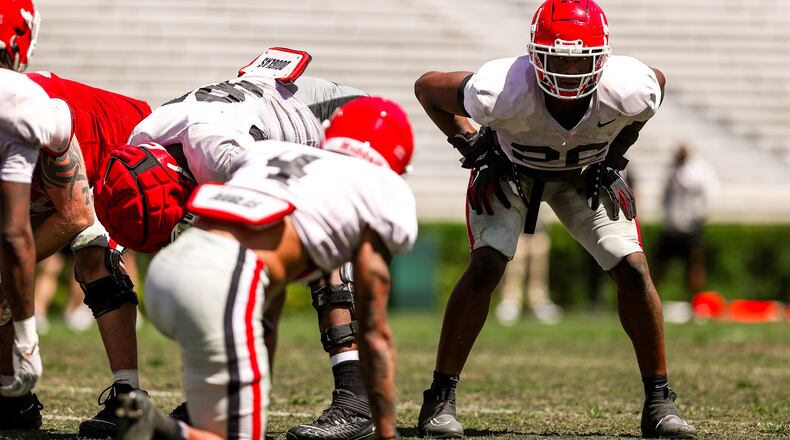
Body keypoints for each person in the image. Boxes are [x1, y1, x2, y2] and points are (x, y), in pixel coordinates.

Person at [413, 0, 696, 438]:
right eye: (557, 56)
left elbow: (653, 91)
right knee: (487, 264)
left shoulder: (632, 86)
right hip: (510, 173)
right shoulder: (500, 88)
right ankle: (439, 398)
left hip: (582, 178)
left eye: (578, 58)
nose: (566, 68)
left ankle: (659, 400)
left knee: (634, 269)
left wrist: (615, 153)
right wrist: (470, 145)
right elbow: (427, 88)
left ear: (601, 57)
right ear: (533, 54)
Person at [95, 49, 381, 440]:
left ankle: (356, 398)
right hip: (266, 129)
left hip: (349, 123)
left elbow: (296, 207)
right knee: (240, 272)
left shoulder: (219, 157)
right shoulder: (142, 143)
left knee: (315, 243)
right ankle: (235, 398)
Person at [653, 144, 718, 297]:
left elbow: (708, 195)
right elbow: (665, 196)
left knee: (695, 265)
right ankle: (651, 298)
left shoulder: (700, 170)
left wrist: (700, 216)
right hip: (671, 227)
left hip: (690, 227)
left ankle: (696, 300)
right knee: (659, 265)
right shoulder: (671, 170)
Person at [495, 220, 561, 326]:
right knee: (516, 263)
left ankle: (539, 302)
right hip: (516, 225)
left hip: (538, 225)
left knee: (539, 264)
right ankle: (511, 301)